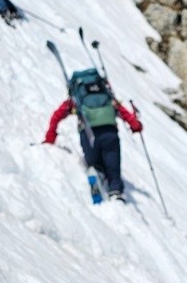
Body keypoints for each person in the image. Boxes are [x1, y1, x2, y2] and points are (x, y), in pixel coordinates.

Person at [44, 69, 143, 201]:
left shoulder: (77, 98)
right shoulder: (107, 95)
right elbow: (124, 112)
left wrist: (50, 138)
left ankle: (97, 172)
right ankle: (115, 191)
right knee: (113, 167)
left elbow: (56, 116)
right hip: (110, 134)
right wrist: (136, 126)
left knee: (95, 162)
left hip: (88, 135)